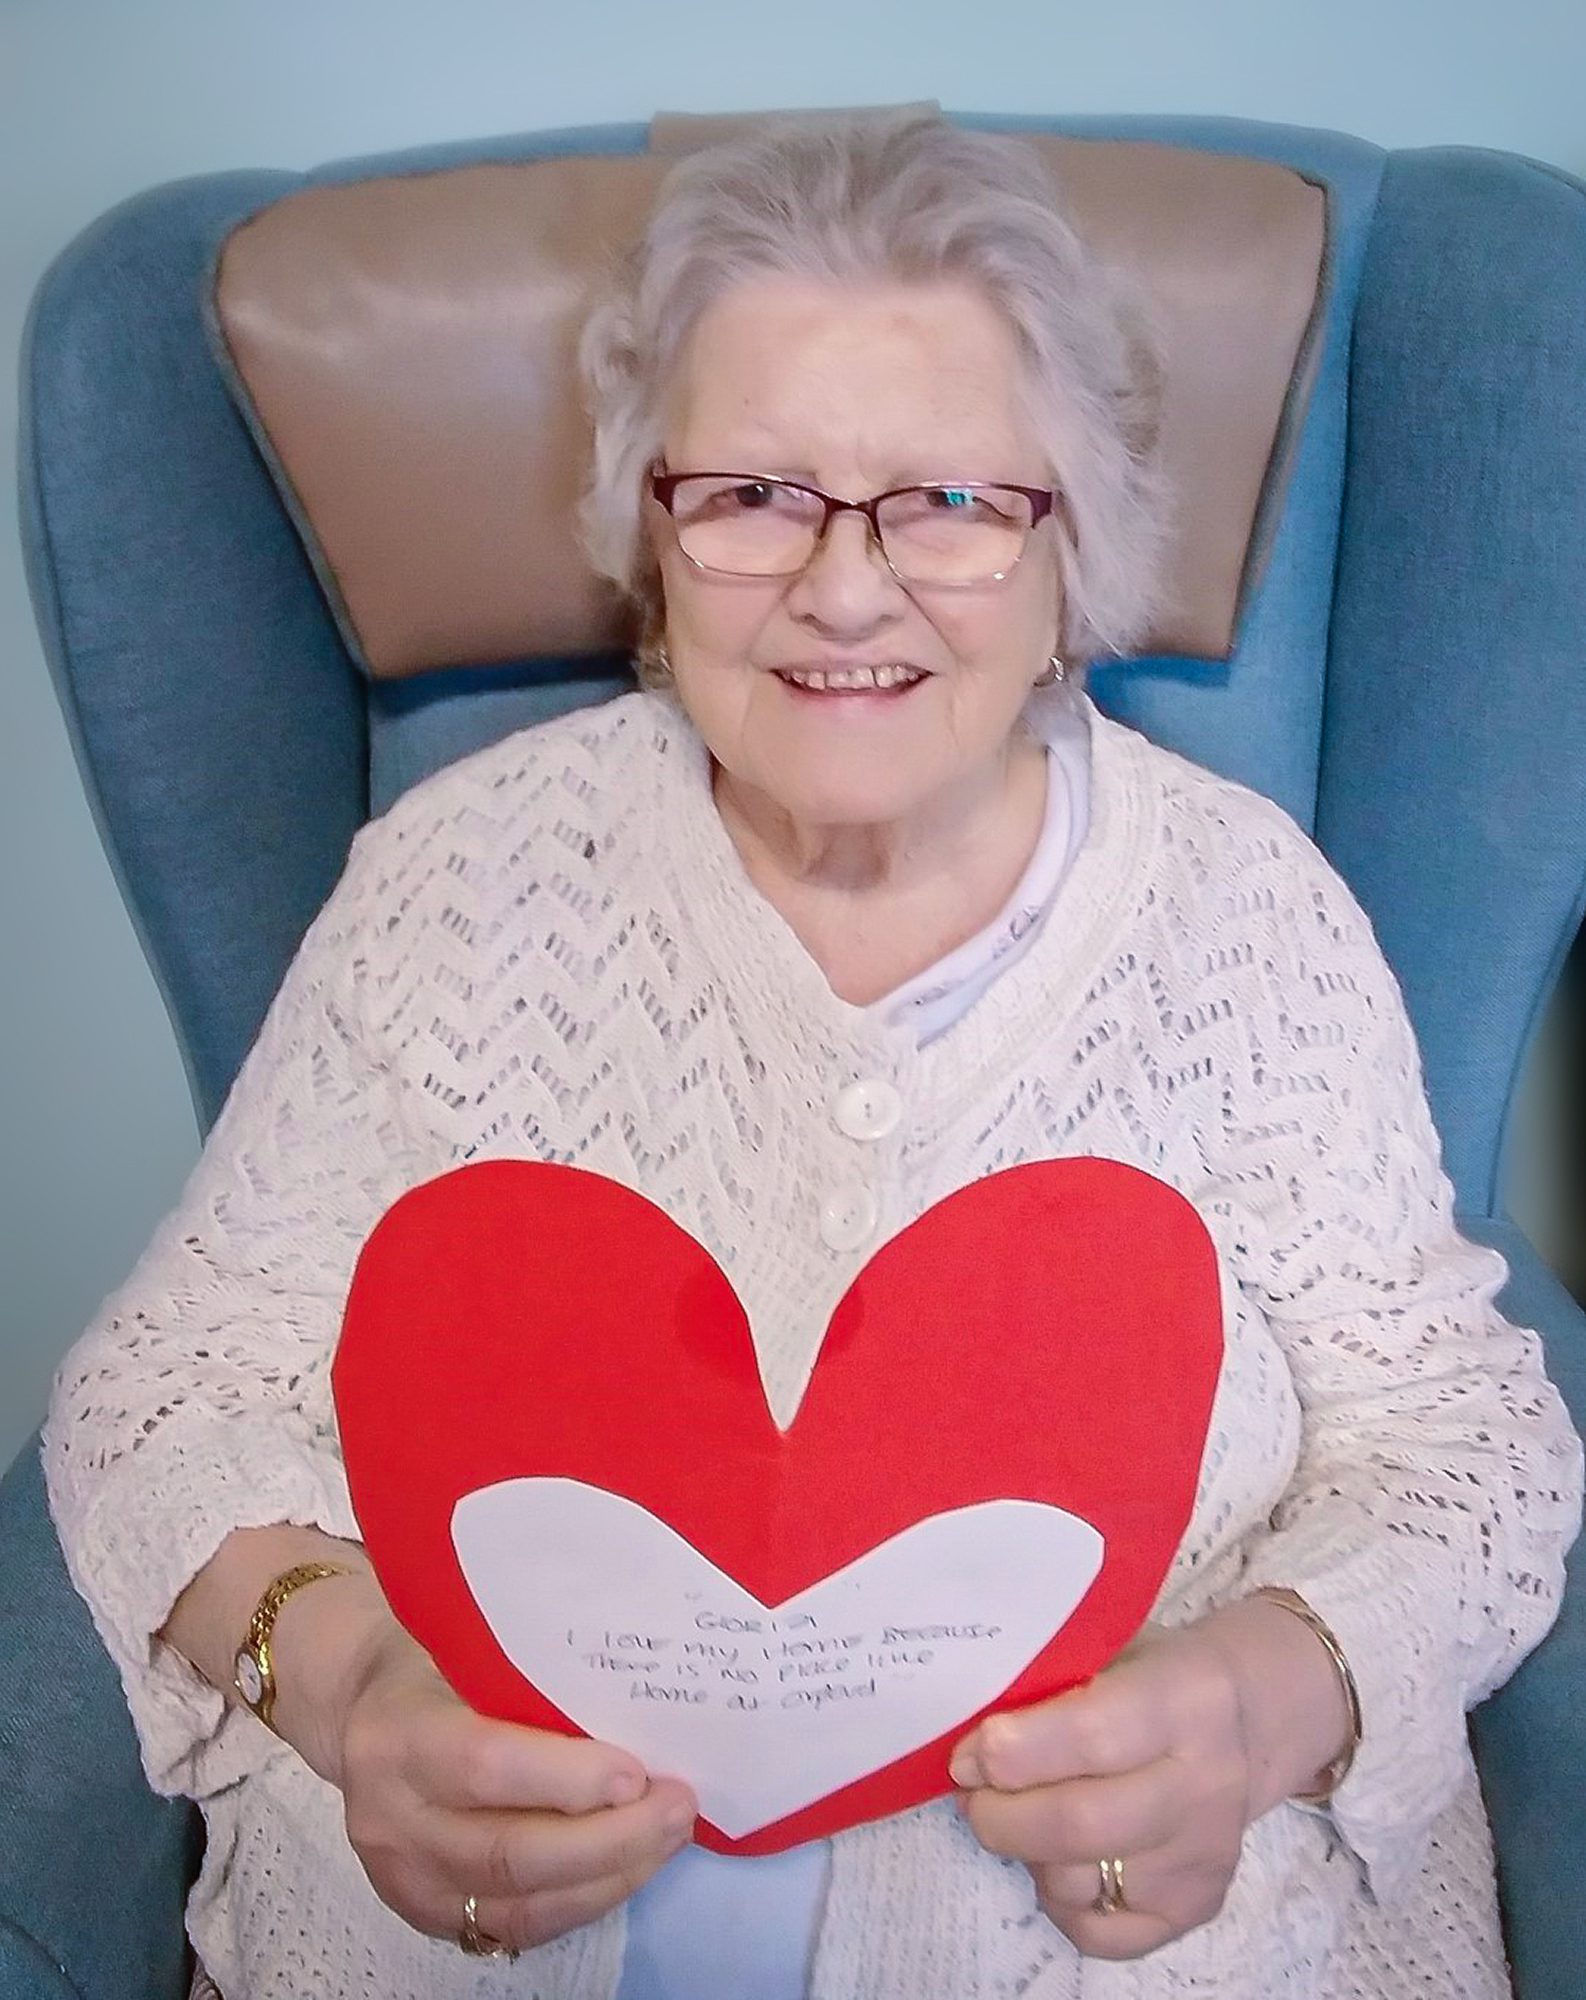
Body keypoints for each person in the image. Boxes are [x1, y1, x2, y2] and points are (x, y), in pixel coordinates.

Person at [44, 112, 1582, 2000]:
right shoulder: (458, 885)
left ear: (1067, 543)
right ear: (650, 530)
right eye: (754, 494)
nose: (844, 591)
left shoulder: (1245, 920)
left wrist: (1269, 1705)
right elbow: (158, 1394)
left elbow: (1463, 1443)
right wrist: (348, 1684)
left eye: (944, 500)